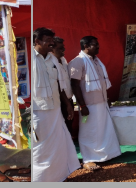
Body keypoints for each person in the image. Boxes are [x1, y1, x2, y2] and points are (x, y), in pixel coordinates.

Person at [32, 27, 79, 182]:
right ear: (37, 41)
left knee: (58, 145)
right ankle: (40, 179)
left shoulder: (52, 60)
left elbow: (59, 84)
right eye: (48, 41)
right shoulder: (30, 58)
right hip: (38, 111)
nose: (51, 44)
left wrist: (67, 104)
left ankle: (58, 176)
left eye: (52, 41)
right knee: (41, 148)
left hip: (55, 109)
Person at [69, 36, 121, 171]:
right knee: (89, 132)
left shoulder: (96, 61)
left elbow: (101, 83)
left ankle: (105, 155)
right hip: (88, 105)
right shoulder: (77, 62)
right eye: (95, 45)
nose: (98, 47)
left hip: (101, 102)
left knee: (103, 130)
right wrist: (82, 105)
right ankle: (89, 158)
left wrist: (106, 100)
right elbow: (74, 85)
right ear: (86, 46)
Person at [52, 37, 75, 134]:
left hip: (68, 100)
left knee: (68, 129)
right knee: (61, 131)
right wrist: (67, 104)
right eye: (60, 49)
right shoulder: (51, 63)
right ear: (51, 49)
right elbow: (58, 85)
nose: (63, 51)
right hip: (61, 102)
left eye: (63, 48)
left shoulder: (63, 59)